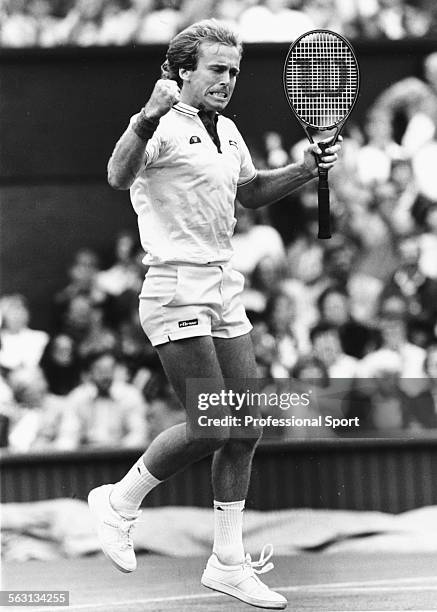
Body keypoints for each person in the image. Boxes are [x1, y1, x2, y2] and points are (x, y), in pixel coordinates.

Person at [88, 19, 341, 609]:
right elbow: (117, 174)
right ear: (182, 73)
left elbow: (248, 193)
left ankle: (228, 562)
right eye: (216, 70)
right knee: (214, 423)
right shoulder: (159, 126)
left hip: (223, 284)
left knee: (244, 427)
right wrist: (144, 117)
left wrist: (306, 168)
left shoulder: (227, 130)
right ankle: (118, 501)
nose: (227, 81)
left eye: (233, 71)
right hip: (175, 284)